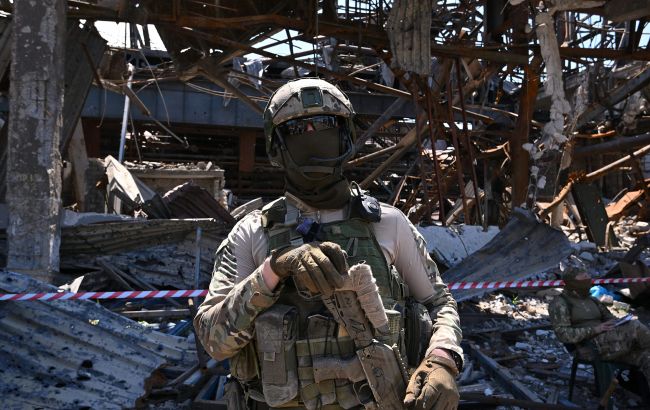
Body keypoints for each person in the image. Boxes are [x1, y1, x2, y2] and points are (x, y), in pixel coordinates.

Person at [194, 78, 463, 409]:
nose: (312, 136)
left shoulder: (388, 224)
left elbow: (439, 304)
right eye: (297, 129)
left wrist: (443, 359)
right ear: (277, 146)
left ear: (345, 135)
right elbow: (213, 340)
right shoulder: (253, 233)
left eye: (324, 125)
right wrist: (272, 271)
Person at [548, 256, 650, 391]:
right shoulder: (560, 303)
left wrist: (617, 322)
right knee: (635, 326)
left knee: (647, 355)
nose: (588, 280)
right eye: (583, 278)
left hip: (611, 341)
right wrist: (595, 330)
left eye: (588, 277)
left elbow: (608, 317)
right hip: (588, 347)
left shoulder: (593, 300)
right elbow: (563, 334)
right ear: (572, 282)